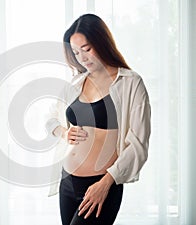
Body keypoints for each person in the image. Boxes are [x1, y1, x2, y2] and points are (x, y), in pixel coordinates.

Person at [45, 14, 151, 225]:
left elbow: (138, 145)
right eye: (76, 53)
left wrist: (106, 183)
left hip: (101, 184)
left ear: (102, 42)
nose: (82, 58)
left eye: (87, 49)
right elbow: (50, 118)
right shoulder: (76, 82)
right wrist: (63, 132)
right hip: (67, 181)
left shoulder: (130, 83)